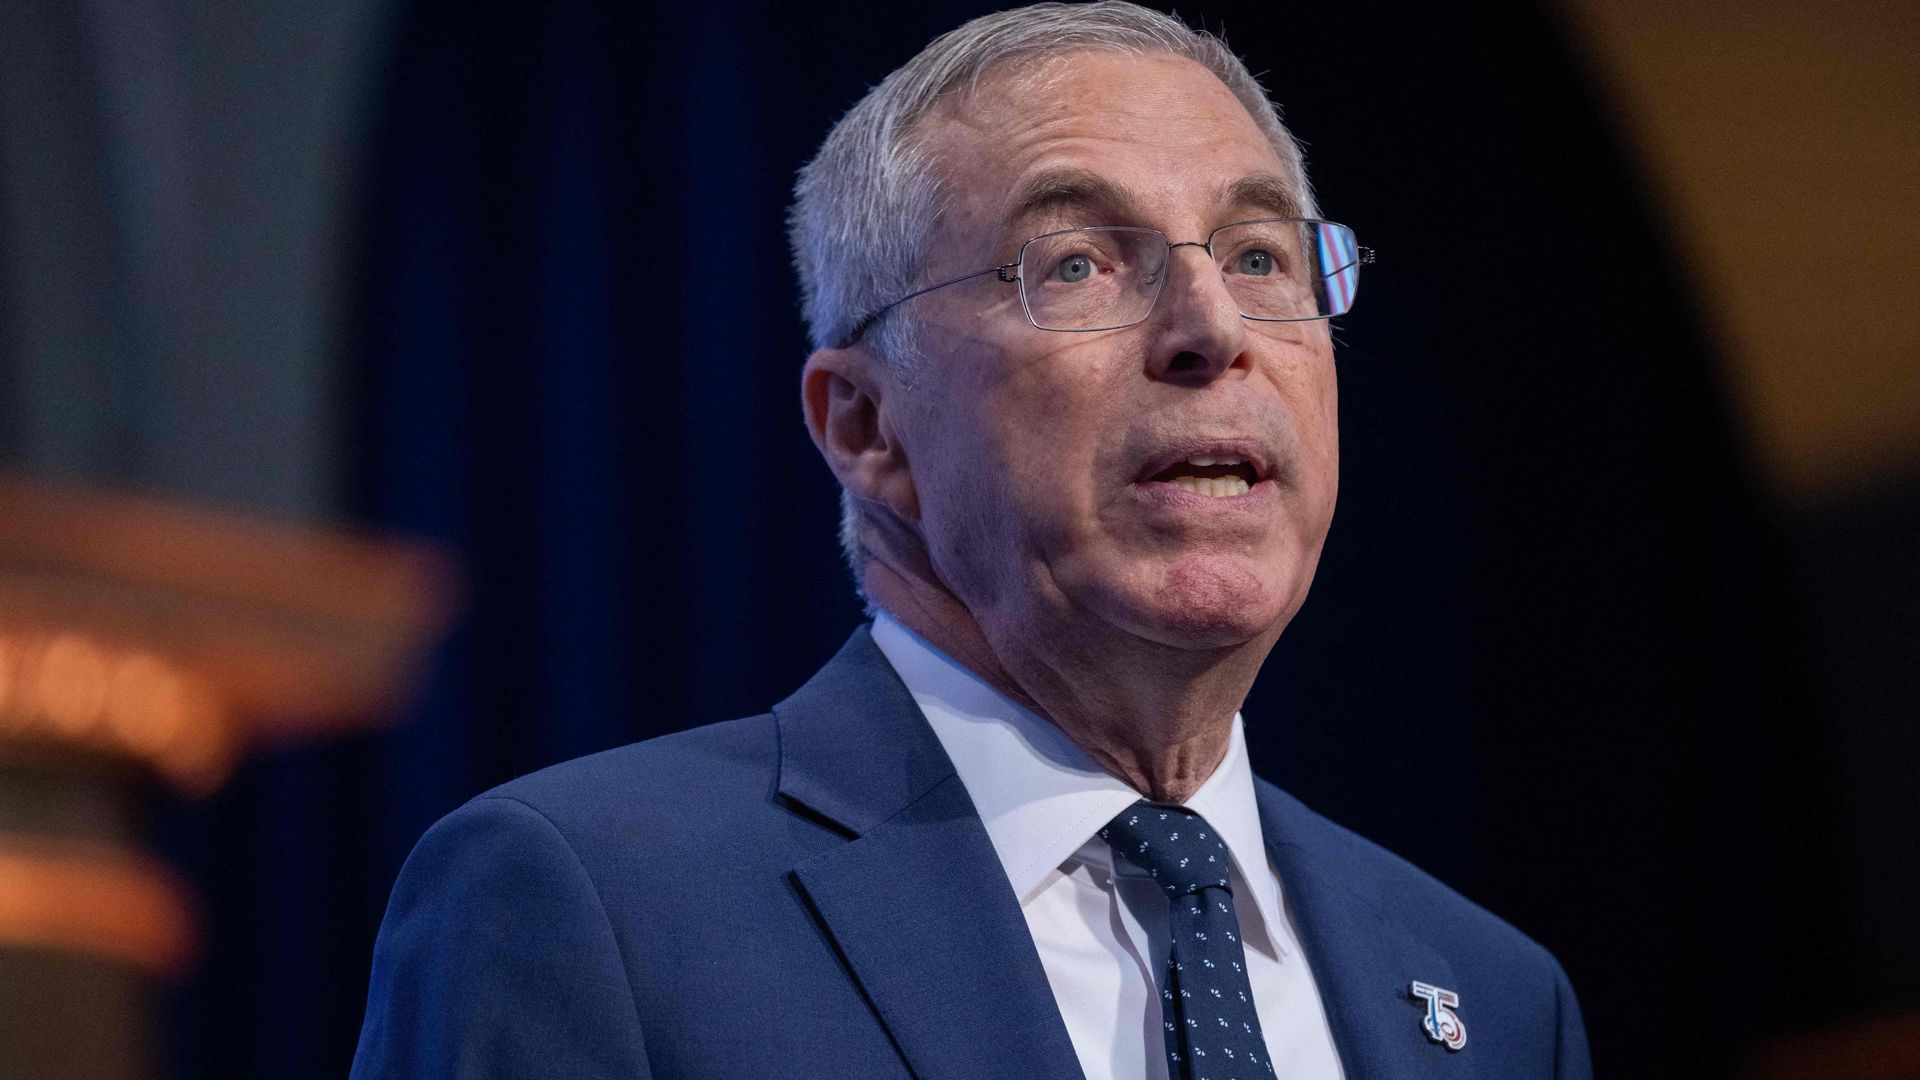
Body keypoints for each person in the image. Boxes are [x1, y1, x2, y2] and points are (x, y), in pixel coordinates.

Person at [350, 3, 1592, 1077]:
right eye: (1080, 265)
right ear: (869, 425)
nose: (1212, 327)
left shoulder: (1490, 997)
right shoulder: (593, 909)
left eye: (1263, 254)